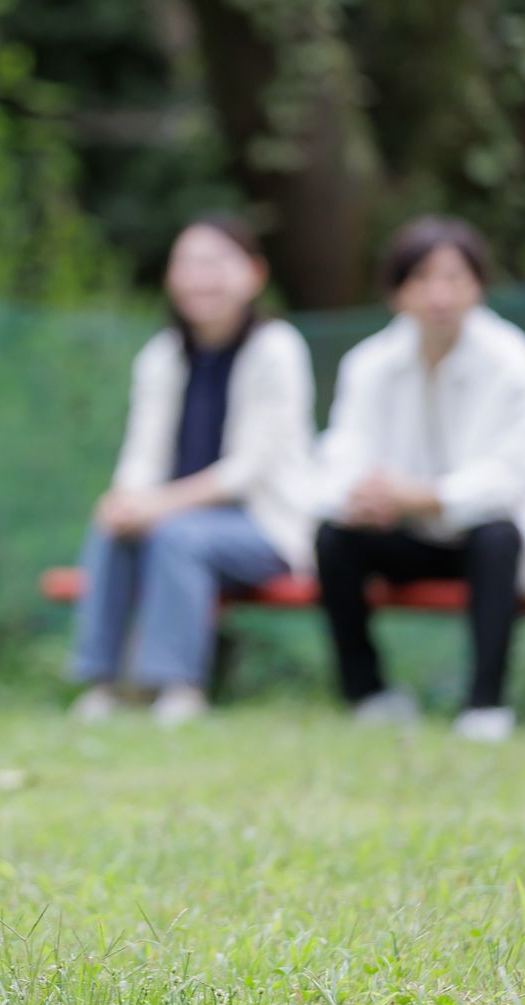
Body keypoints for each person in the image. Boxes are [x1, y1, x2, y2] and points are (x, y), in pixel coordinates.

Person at [314, 216, 525, 742]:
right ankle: (367, 694)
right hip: (405, 534)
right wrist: (362, 494)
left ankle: (485, 704)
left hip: (482, 536)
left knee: (499, 537)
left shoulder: (511, 359)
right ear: (397, 293)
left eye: (455, 278)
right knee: (334, 540)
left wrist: (427, 496)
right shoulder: (369, 364)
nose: (440, 295)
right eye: (423, 279)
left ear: (478, 286)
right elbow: (341, 452)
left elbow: (515, 473)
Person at [69, 215, 316, 726]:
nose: (202, 277)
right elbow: (142, 455)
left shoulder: (277, 348)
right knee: (112, 527)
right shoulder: (162, 356)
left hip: (267, 527)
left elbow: (249, 470)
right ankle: (102, 683)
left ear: (254, 275)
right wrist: (128, 500)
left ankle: (178, 686)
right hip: (179, 519)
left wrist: (158, 505)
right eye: (189, 264)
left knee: (178, 537)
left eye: (216, 263)